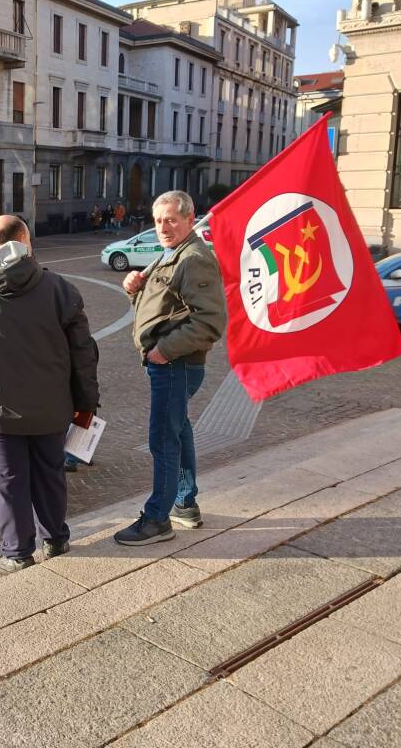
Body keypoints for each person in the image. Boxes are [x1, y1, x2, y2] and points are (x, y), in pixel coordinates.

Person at [0, 215, 100, 573]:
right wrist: (86, 404)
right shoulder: (61, 290)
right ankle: (55, 539)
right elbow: (84, 355)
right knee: (50, 475)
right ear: (26, 241)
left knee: (8, 484)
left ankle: (17, 553)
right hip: (51, 411)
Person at [114, 190, 226, 546]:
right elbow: (163, 308)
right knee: (178, 431)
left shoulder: (193, 258)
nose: (163, 226)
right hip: (169, 363)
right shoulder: (172, 254)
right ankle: (184, 502)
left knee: (162, 438)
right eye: (158, 220)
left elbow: (210, 321)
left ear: (190, 220)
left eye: (171, 220)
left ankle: (157, 519)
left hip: (176, 364)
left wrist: (163, 350)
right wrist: (134, 289)